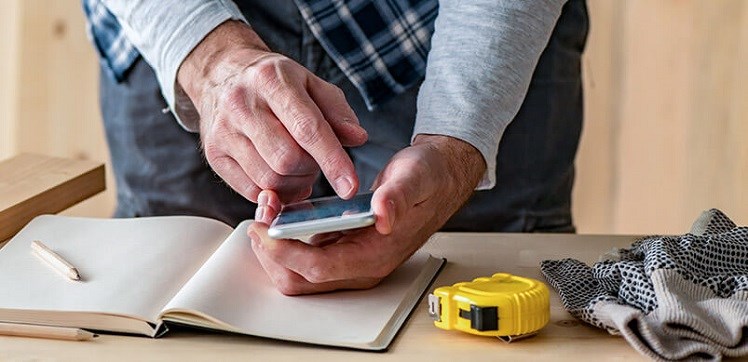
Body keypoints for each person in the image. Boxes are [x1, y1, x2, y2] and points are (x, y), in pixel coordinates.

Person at [83, 0, 588, 295]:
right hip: (174, 25)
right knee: (169, 297)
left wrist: (456, 144)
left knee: (486, 278)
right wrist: (212, 61)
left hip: (447, 29)